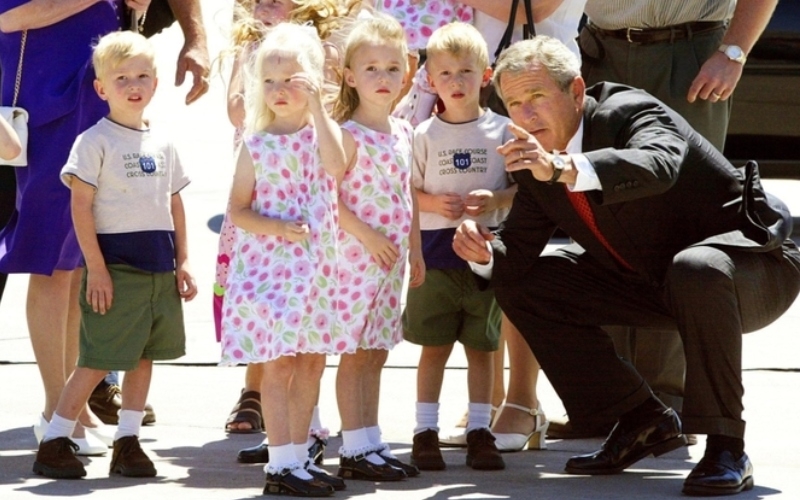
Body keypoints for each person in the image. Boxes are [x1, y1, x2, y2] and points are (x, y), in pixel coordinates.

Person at [452, 36, 800, 496]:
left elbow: (659, 165)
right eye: (515, 104)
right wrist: (483, 255)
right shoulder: (532, 162)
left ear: (576, 91)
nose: (526, 116)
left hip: (750, 268)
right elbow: (515, 257)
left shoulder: (629, 110)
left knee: (695, 267)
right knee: (529, 284)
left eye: (537, 97)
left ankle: (726, 449)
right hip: (656, 279)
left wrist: (563, 167)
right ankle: (640, 419)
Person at [547, 0, 781, 440]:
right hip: (600, 54)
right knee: (601, 218)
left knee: (681, 227)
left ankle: (668, 402)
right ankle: (613, 403)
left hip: (689, 56)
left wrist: (734, 52)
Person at [0, 0, 210, 442]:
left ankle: (73, 408)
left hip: (97, 98)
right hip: (46, 102)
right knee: (52, 262)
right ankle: (57, 410)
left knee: (77, 264)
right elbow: (10, 16)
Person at [32, 30, 197, 479]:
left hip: (158, 264)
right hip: (116, 265)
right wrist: (98, 269)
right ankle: (55, 439)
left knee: (144, 355)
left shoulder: (163, 142)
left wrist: (183, 261)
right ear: (102, 88)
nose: (132, 85)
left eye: (142, 75)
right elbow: (80, 206)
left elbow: (175, 202)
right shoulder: (93, 142)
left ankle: (127, 442)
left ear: (156, 83)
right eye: (121, 77)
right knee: (98, 358)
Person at [439, 0, 586, 451]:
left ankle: (524, 400)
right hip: (469, 87)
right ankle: (488, 402)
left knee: (527, 247)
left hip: (540, 83)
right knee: (481, 252)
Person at [219, 22, 348, 497]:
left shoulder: (322, 136)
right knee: (280, 364)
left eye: (291, 80)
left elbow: (338, 167)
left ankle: (299, 455)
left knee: (312, 361)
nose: (278, 91)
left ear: (313, 81)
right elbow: (238, 210)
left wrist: (317, 107)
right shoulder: (256, 144)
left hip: (316, 270)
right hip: (272, 272)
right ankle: (279, 464)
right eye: (269, 82)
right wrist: (278, 228)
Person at [403, 22, 518, 472]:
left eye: (466, 72)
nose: (455, 82)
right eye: (445, 73)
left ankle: (480, 429)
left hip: (484, 256)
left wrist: (497, 199)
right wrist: (433, 201)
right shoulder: (422, 135)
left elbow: (521, 191)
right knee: (433, 347)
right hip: (433, 254)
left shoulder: (504, 131)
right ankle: (424, 430)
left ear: (485, 75)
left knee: (483, 348)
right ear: (430, 80)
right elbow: (405, 194)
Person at [330, 14, 424, 482]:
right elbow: (325, 199)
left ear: (406, 72)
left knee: (377, 350)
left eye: (392, 68)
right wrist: (366, 236)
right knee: (353, 352)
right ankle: (352, 446)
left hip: (392, 264)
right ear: (350, 76)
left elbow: (407, 196)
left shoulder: (404, 131)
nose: (383, 78)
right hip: (354, 261)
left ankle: (371, 439)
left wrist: (417, 252)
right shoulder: (345, 134)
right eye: (371, 69)